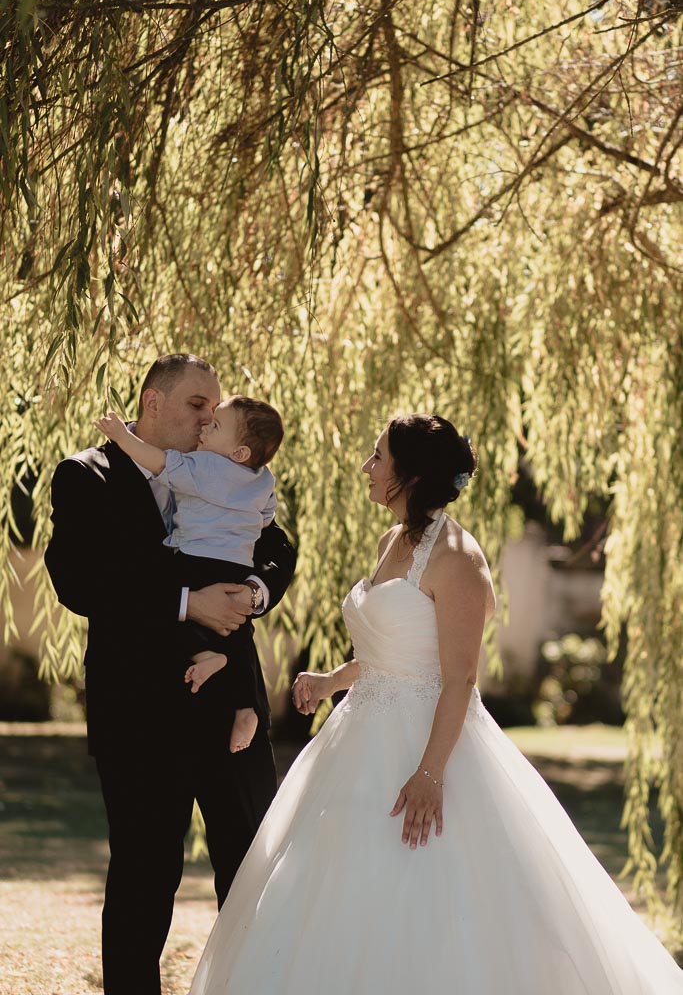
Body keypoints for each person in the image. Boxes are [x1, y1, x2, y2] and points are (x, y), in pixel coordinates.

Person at [188, 414, 683, 995]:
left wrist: (429, 773)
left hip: (431, 744)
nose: (367, 468)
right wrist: (332, 681)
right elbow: (395, 653)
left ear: (410, 476)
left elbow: (458, 677)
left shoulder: (457, 558)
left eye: (378, 458)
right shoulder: (389, 540)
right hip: (356, 738)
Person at [44, 354, 296, 995]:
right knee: (144, 872)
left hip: (230, 700)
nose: (209, 417)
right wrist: (188, 604)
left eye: (215, 408)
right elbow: (80, 579)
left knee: (249, 860)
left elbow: (276, 548)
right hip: (139, 711)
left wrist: (251, 596)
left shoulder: (230, 472)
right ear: (152, 403)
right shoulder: (87, 475)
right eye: (196, 405)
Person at [94, 393, 284, 753]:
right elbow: (266, 519)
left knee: (166, 609)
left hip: (195, 558)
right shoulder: (262, 478)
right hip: (237, 564)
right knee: (237, 630)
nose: (204, 427)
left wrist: (121, 436)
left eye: (214, 424)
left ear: (239, 452)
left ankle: (203, 656)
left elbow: (159, 462)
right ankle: (248, 706)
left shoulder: (205, 467)